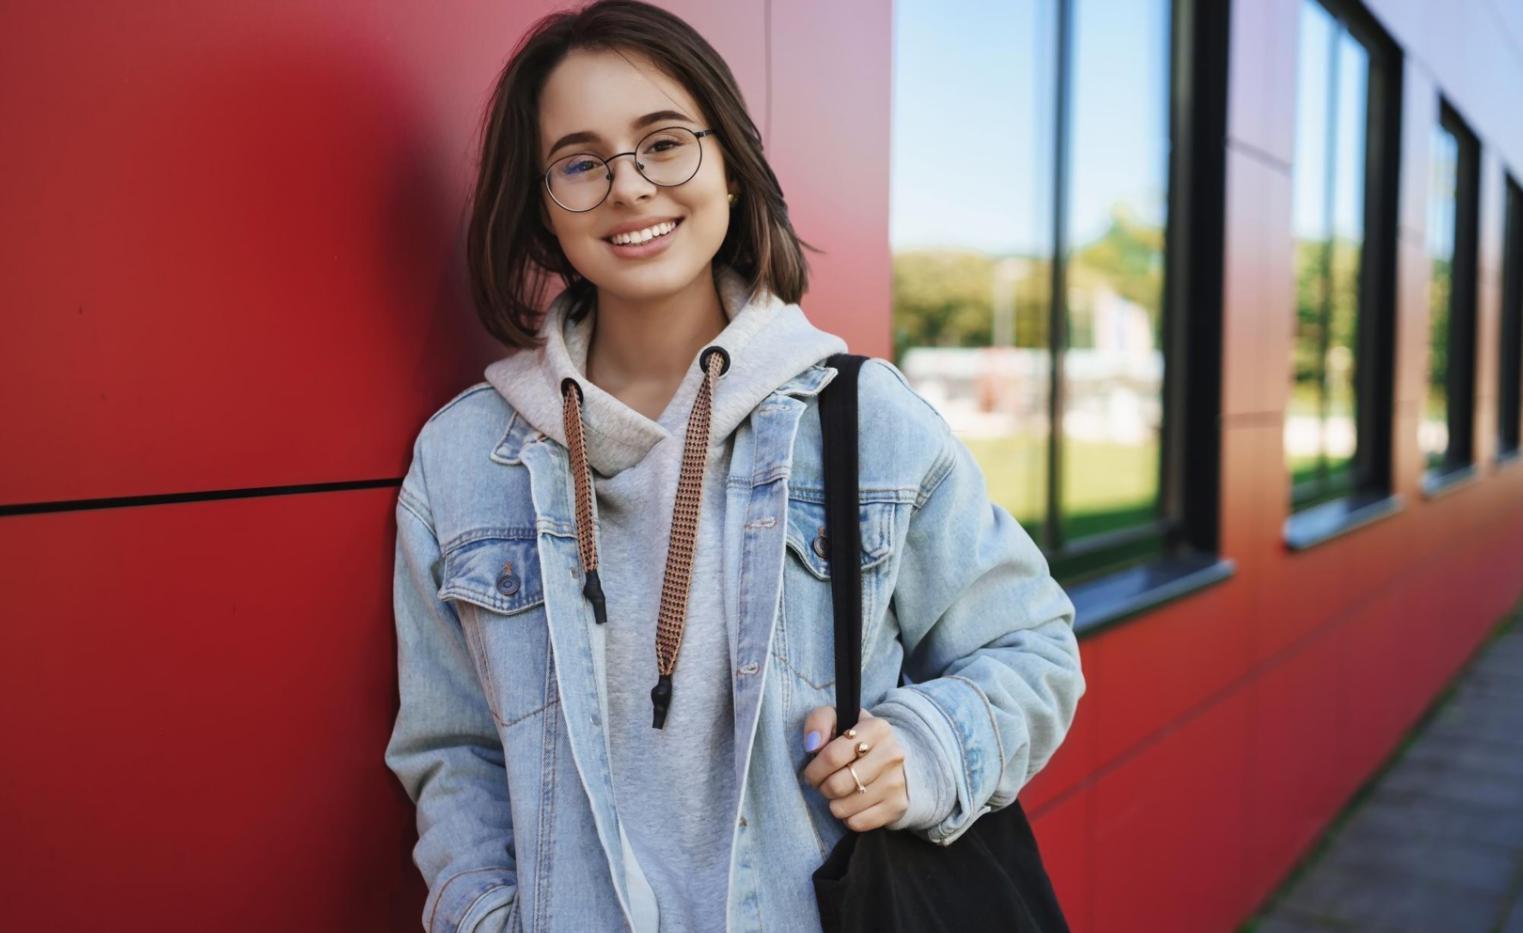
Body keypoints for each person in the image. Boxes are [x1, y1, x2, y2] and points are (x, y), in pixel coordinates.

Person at [383, 2, 1086, 931]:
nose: (630, 188)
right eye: (581, 162)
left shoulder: (864, 419)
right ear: (542, 202)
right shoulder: (464, 459)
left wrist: (921, 749)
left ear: (729, 162)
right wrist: (484, 913)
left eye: (664, 142)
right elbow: (452, 748)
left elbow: (1031, 649)